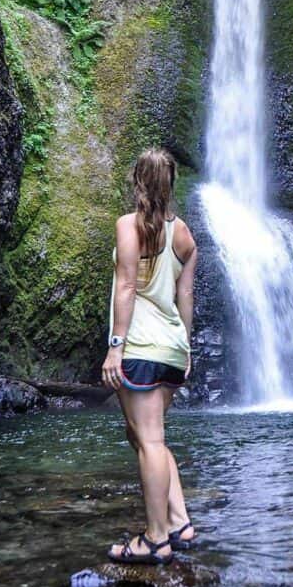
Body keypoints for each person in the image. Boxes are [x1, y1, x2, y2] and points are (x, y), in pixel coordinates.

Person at [101, 147, 198, 565]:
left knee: (149, 440)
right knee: (146, 436)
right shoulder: (185, 235)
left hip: (139, 346)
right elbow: (187, 296)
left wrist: (114, 347)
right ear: (170, 185)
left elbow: (126, 287)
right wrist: (187, 348)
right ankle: (180, 521)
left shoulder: (128, 226)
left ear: (137, 181)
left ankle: (156, 538)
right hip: (172, 347)